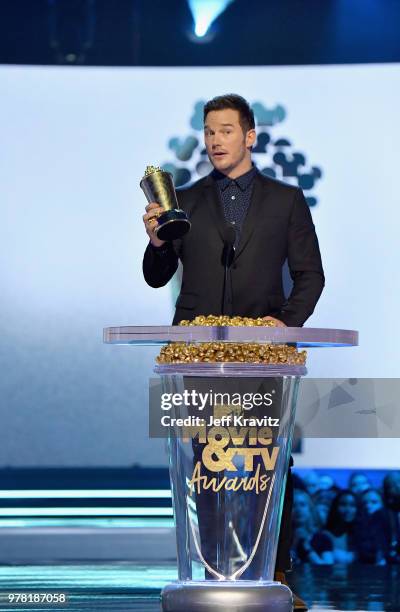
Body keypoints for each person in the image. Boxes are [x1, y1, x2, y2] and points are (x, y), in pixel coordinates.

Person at [142, 94, 325, 611]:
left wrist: (284, 325)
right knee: (208, 461)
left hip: (263, 357)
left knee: (266, 460)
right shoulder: (186, 201)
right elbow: (158, 278)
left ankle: (276, 571)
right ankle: (218, 566)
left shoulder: (286, 199)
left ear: (250, 137)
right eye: (208, 131)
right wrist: (157, 244)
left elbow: (311, 274)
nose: (215, 140)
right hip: (198, 355)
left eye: (225, 130)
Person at [291, 489, 334, 565]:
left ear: (310, 509)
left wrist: (307, 547)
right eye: (294, 505)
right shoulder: (279, 539)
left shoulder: (322, 538)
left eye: (302, 505)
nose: (298, 509)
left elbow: (327, 568)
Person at [326, 490, 359, 564]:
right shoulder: (325, 536)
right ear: (335, 507)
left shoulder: (364, 536)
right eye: (343, 505)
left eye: (352, 505)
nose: (348, 510)